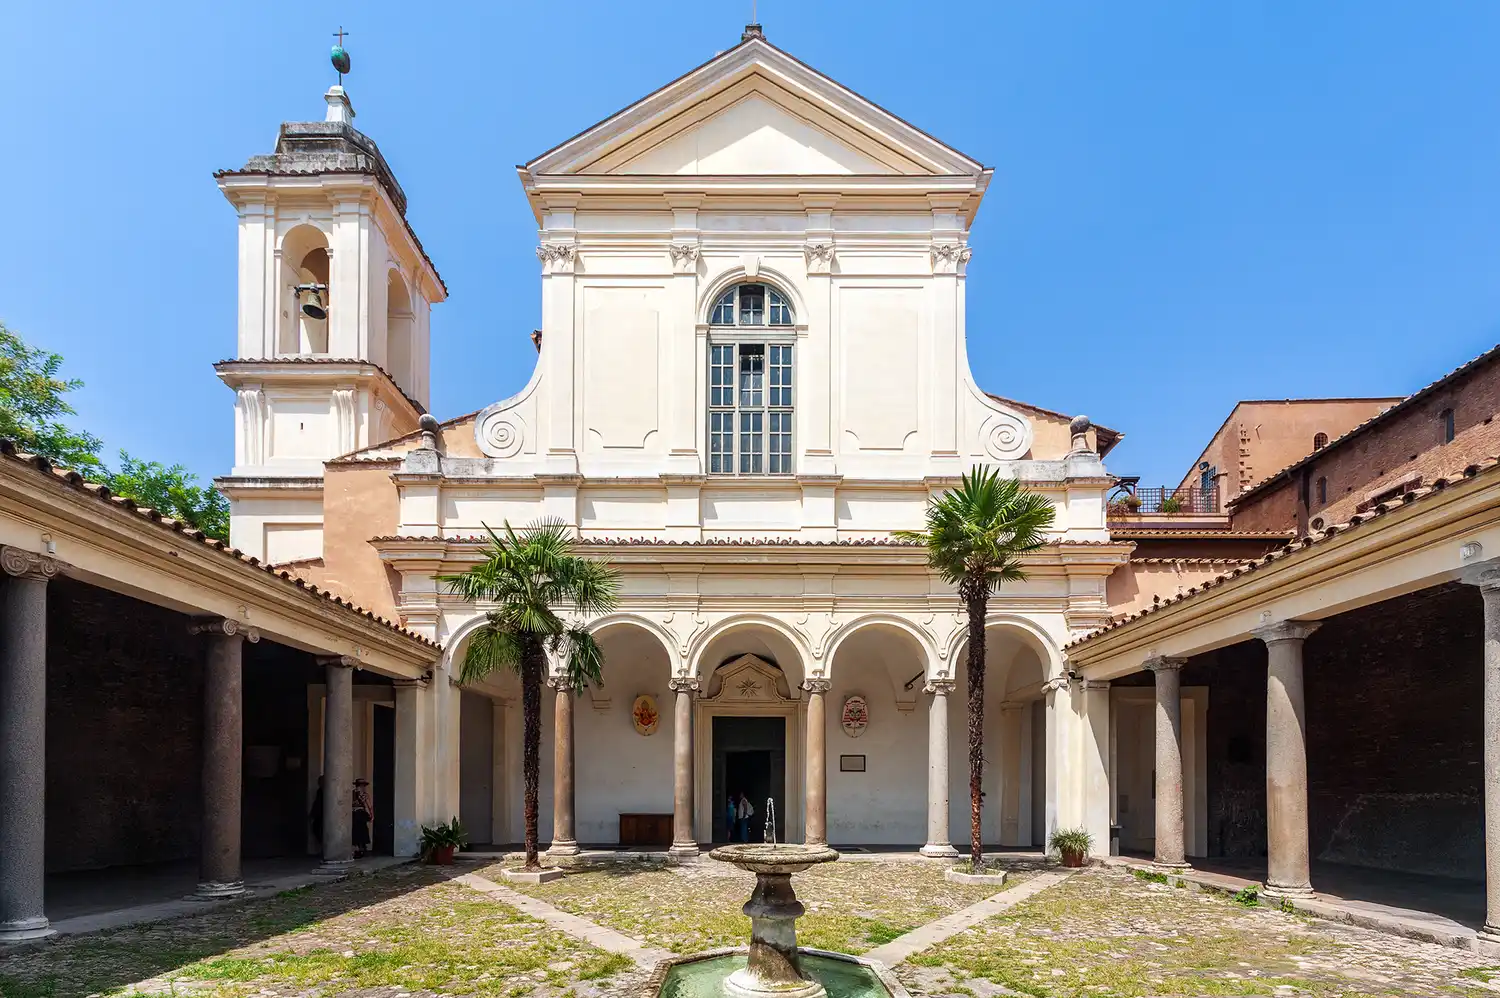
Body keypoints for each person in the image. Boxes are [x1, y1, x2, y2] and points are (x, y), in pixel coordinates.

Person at [352, 778, 374, 858]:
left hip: (361, 815)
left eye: (363, 785)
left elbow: (369, 805)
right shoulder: (352, 794)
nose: (362, 787)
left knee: (362, 831)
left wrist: (372, 815)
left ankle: (362, 848)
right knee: (355, 832)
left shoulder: (365, 795)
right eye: (360, 785)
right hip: (354, 815)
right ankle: (357, 849)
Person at [309, 776, 325, 851]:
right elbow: (317, 803)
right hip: (320, 815)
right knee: (318, 830)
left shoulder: (326, 791)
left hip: (324, 815)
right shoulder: (320, 791)